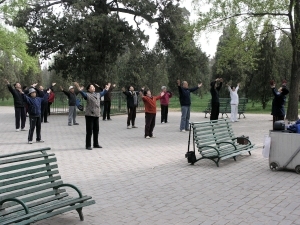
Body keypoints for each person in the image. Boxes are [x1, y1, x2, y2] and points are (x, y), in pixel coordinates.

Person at [74, 82, 110, 150]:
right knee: (89, 130)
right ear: (88, 89)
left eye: (93, 87)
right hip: (89, 115)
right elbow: (82, 94)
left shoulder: (98, 94)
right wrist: (79, 89)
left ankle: (95, 144)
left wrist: (107, 88)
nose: (93, 88)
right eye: (91, 87)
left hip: (96, 114)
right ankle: (88, 145)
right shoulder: (87, 95)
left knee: (96, 130)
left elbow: (104, 92)